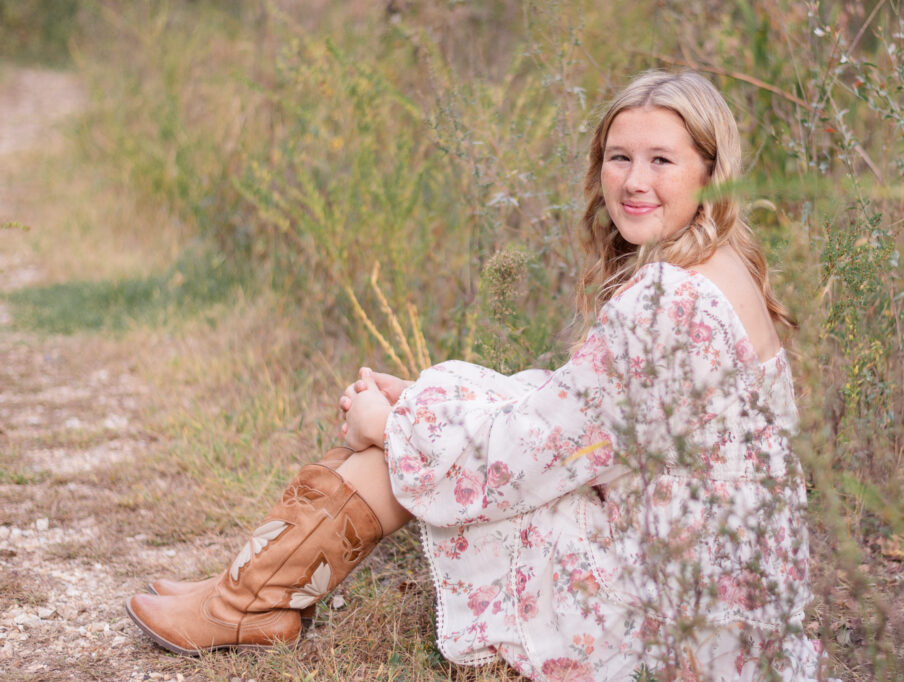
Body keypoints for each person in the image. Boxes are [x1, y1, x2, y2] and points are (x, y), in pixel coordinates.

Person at [125, 70, 823, 680]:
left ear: (710, 169)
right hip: (738, 609)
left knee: (418, 446)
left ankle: (247, 601)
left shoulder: (664, 302)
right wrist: (425, 400)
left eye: (661, 160)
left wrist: (399, 422)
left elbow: (521, 458)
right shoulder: (722, 265)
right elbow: (577, 414)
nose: (634, 181)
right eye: (619, 157)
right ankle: (246, 593)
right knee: (443, 416)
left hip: (673, 622)